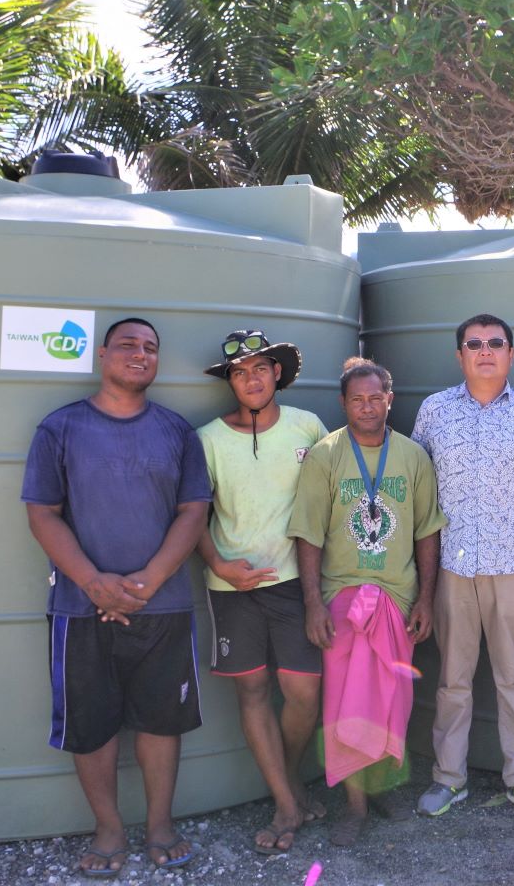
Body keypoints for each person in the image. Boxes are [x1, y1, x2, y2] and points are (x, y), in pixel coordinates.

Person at [22, 317, 210, 878]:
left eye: (150, 347)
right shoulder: (60, 429)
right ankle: (108, 829)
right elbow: (41, 513)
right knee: (92, 723)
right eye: (127, 344)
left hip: (165, 604)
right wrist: (93, 581)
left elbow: (193, 512)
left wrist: (148, 581)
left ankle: (159, 825)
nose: (139, 354)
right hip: (81, 607)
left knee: (161, 721)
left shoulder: (178, 432)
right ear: (102, 354)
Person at [411, 313, 514, 819]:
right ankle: (448, 779)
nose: (485, 351)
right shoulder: (434, 411)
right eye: (473, 344)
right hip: (453, 566)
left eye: (495, 343)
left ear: (510, 354)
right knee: (453, 679)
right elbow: (420, 485)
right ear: (459, 355)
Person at [288, 358, 446, 846]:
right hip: (343, 601)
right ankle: (353, 805)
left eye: (376, 397)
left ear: (390, 400)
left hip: (397, 601)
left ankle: (381, 789)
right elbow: (308, 537)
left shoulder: (413, 457)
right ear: (343, 403)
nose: (367, 406)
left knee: (391, 704)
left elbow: (426, 533)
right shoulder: (325, 455)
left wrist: (425, 598)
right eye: (357, 398)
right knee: (346, 707)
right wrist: (314, 604)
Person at [196, 329, 328, 854]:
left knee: (303, 694)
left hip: (296, 585)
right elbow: (193, 516)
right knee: (251, 693)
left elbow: (330, 503)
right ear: (229, 381)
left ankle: (289, 779)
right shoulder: (207, 438)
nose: (250, 379)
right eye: (238, 372)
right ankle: (285, 801)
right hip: (231, 589)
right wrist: (220, 565)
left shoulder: (309, 427)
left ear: (277, 374)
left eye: (259, 369)